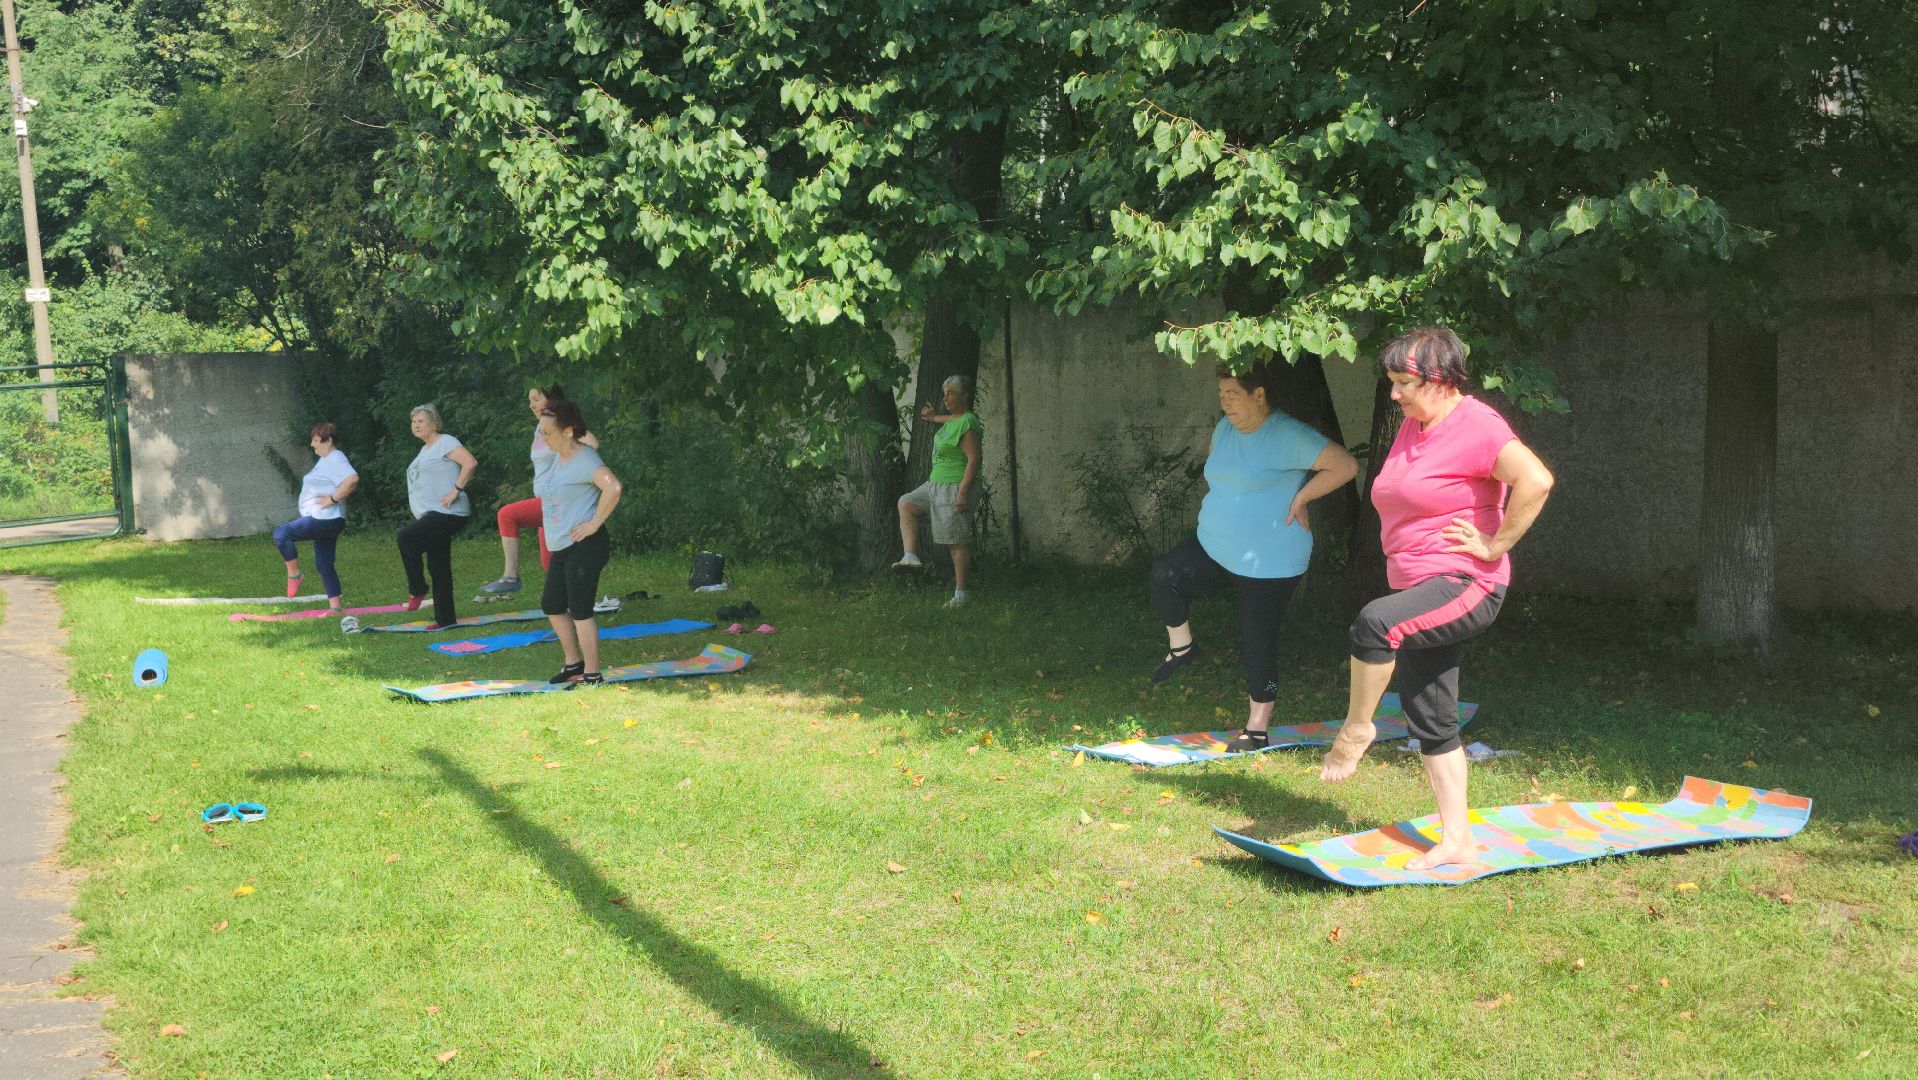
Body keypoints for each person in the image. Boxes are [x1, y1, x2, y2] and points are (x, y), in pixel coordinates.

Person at [1319, 326, 1555, 871]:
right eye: (1392, 382)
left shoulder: (1474, 423)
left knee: (1374, 625)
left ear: (1442, 380)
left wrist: (1496, 544)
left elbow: (1536, 480)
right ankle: (1457, 841)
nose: (1395, 394)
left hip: (1467, 583)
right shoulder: (1414, 425)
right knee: (1433, 715)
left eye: (1404, 383)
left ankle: (1357, 728)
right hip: (1420, 585)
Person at [1148, 362, 1359, 749]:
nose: (1225, 402)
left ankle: (1256, 731)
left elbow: (1345, 465)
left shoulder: (1288, 435)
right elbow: (1222, 471)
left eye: (1233, 394)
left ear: (1258, 394)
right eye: (1221, 394)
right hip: (1215, 546)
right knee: (1166, 575)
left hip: (1270, 561)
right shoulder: (1225, 429)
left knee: (1256, 642)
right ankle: (1183, 647)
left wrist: (1303, 496)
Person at [476, 383, 599, 600]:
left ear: (551, 399)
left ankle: (511, 577)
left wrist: (572, 466)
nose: (531, 404)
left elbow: (591, 443)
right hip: (547, 505)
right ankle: (567, 616)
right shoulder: (540, 429)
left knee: (507, 515)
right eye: (530, 400)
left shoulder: (563, 426)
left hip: (556, 501)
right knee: (550, 563)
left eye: (536, 398)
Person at [534, 398, 623, 684]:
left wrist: (595, 522)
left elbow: (613, 487)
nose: (543, 438)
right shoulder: (557, 459)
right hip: (563, 546)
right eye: (541, 432)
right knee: (552, 604)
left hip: (585, 546)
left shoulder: (585, 459)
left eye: (547, 432)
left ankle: (593, 673)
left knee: (581, 608)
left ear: (568, 431)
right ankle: (574, 664)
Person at [893, 375, 982, 607]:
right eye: (945, 393)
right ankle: (910, 556)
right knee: (906, 503)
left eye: (950, 393)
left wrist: (963, 492)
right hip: (935, 484)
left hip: (955, 485)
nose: (946, 397)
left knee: (956, 542)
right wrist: (933, 418)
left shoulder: (968, 422)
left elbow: (974, 460)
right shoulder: (953, 419)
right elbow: (949, 419)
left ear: (964, 395)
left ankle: (961, 595)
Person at [396, 403, 478, 629]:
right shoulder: (424, 450)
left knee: (406, 537)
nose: (416, 425)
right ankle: (445, 619)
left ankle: (418, 589)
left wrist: (456, 490)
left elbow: (470, 463)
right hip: (433, 514)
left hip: (449, 512)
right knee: (438, 564)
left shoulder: (446, 442)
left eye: (421, 421)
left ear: (434, 423)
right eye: (413, 422)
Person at [272, 423, 359, 609]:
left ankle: (295, 575)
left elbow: (352, 479)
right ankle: (336, 608)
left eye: (316, 440)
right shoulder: (326, 460)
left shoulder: (335, 458)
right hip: (327, 520)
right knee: (324, 564)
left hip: (325, 519)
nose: (312, 444)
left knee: (282, 534)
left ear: (328, 441)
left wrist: (333, 499)